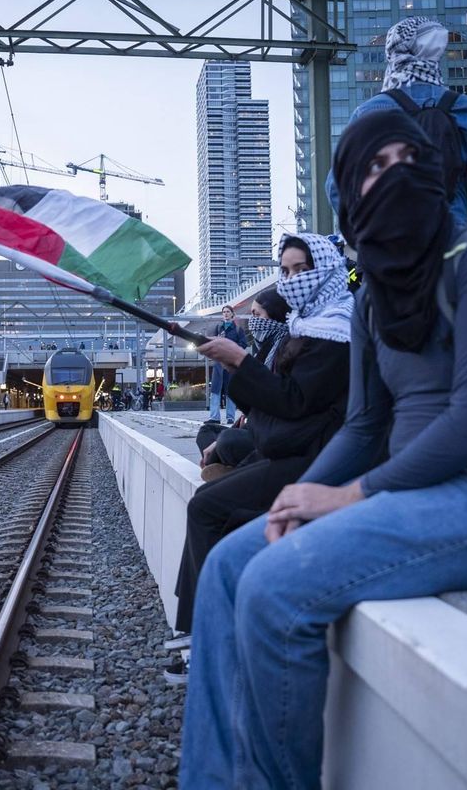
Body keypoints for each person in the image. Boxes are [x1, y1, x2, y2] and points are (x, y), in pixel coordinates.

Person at [180, 110, 467, 789]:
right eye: (374, 166)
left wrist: (348, 495)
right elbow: (364, 427)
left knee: (274, 588)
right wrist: (295, 496)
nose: (395, 175)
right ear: (349, 195)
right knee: (226, 568)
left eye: (407, 160)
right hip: (418, 493)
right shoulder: (373, 298)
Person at [167, 234, 353, 684]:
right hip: (287, 448)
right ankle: (197, 628)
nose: (291, 280)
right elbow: (278, 401)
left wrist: (240, 362)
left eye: (300, 270)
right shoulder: (310, 323)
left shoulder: (337, 330)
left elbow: (293, 401)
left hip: (312, 461)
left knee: (207, 508)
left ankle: (205, 636)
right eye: (284, 271)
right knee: (213, 504)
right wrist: (239, 366)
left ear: (327, 271)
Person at [325, 16, 467, 229]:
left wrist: (371, 228)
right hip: (451, 237)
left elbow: (336, 187)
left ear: (393, 51)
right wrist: (461, 223)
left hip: (389, 239)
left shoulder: (368, 113)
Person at [195, 288, 291, 478]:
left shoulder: (285, 348)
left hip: (270, 433)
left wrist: (237, 359)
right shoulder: (262, 349)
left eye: (257, 315)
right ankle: (227, 465)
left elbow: (270, 403)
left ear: (274, 314)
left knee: (227, 441)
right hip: (252, 425)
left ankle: (228, 467)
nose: (253, 321)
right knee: (207, 431)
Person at [207, 305, 247, 424]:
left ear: (232, 314)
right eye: (224, 312)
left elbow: (243, 344)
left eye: (228, 312)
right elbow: (211, 343)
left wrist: (231, 347)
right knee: (215, 389)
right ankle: (214, 417)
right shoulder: (218, 328)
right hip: (219, 363)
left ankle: (230, 417)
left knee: (230, 389)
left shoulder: (238, 330)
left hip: (230, 363)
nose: (225, 314)